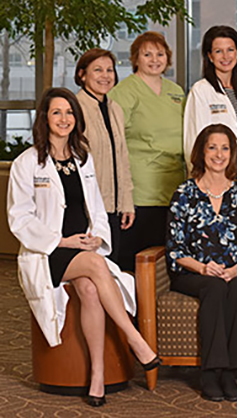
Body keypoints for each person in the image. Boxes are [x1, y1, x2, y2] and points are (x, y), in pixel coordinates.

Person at [7, 88, 161, 408]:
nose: (64, 119)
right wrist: (61, 241)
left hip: (82, 249)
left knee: (90, 290)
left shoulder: (82, 158)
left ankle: (97, 376)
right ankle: (135, 340)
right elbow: (18, 219)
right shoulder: (27, 162)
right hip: (47, 252)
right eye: (57, 112)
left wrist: (95, 237)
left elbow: (97, 208)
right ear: (44, 119)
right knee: (93, 265)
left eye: (69, 113)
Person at [166, 124, 237, 403]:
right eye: (212, 147)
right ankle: (213, 371)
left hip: (236, 271)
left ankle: (227, 371)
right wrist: (203, 267)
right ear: (201, 152)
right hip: (193, 272)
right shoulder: (184, 193)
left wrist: (233, 270)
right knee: (215, 287)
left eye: (225, 148)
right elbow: (174, 249)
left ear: (232, 154)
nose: (218, 154)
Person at [109, 31, 186, 271]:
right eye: (147, 54)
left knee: (165, 260)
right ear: (136, 59)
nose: (155, 59)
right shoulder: (125, 91)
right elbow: (113, 140)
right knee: (137, 260)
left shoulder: (177, 91)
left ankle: (157, 309)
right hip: (139, 189)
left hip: (172, 185)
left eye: (160, 54)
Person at [75, 48, 135, 265]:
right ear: (82, 74)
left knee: (112, 266)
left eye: (109, 70)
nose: (105, 75)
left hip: (113, 206)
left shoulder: (114, 108)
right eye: (97, 70)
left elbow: (122, 158)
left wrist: (126, 202)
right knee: (90, 270)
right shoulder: (75, 108)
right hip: (87, 207)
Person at [184, 26, 237, 179]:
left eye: (230, 50)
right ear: (210, 56)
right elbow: (193, 143)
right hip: (213, 180)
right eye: (218, 51)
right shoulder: (201, 91)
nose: (226, 56)